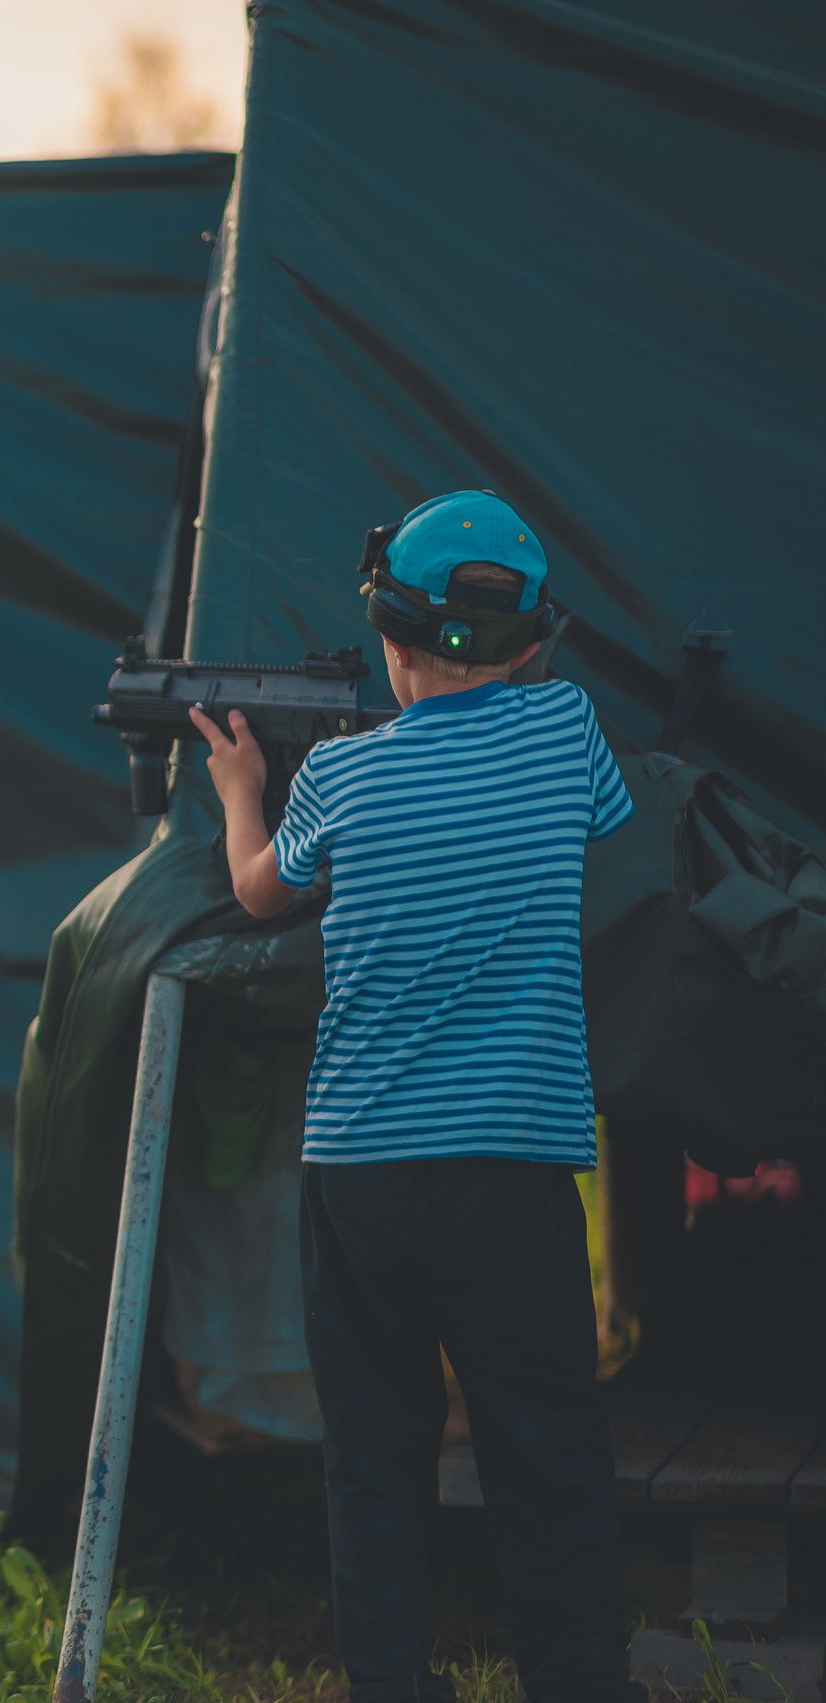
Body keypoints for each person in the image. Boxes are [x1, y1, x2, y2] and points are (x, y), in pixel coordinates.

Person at [188, 489, 643, 1703]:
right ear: (534, 643)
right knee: (546, 1447)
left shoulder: (337, 778)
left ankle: (389, 1680)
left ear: (388, 639)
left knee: (374, 1451)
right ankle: (577, 1683)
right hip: (511, 1167)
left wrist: (241, 784)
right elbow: (601, 817)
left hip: (363, 1175)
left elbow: (258, 892)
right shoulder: (567, 731)